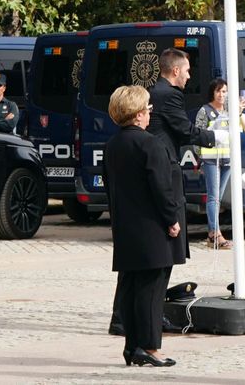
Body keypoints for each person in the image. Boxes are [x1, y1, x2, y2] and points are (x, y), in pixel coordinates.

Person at [104, 84, 184, 369]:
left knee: (130, 288)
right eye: (148, 109)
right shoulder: (150, 143)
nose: (151, 113)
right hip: (152, 229)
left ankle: (132, 346)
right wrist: (172, 220)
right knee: (152, 292)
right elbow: (161, 188)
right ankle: (150, 347)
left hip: (127, 228)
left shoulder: (113, 144)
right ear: (138, 114)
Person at [193, 78, 245, 250]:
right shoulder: (205, 110)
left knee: (219, 197)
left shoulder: (230, 111)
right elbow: (197, 135)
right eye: (219, 91)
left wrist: (239, 113)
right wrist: (199, 156)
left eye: (224, 91)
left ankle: (213, 234)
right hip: (211, 159)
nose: (222, 94)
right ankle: (215, 234)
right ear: (213, 92)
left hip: (227, 159)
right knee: (213, 197)